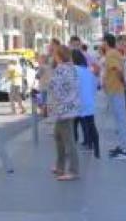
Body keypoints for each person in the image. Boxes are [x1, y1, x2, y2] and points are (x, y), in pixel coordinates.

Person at [48, 45, 80, 181]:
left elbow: (55, 88)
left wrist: (52, 104)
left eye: (55, 54)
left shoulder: (60, 70)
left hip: (63, 109)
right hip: (70, 107)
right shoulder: (72, 68)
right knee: (58, 136)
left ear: (59, 56)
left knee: (68, 140)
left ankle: (73, 170)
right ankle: (60, 166)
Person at [101, 33, 126, 160]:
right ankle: (121, 146)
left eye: (102, 42)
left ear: (106, 42)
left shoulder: (111, 54)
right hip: (114, 90)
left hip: (116, 90)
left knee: (120, 120)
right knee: (119, 120)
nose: (101, 44)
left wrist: (123, 82)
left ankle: (124, 150)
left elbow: (116, 69)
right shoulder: (113, 53)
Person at [72, 49, 100, 159]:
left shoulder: (74, 70)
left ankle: (73, 148)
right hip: (89, 103)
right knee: (92, 126)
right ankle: (96, 150)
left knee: (73, 126)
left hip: (78, 103)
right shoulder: (89, 71)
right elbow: (95, 86)